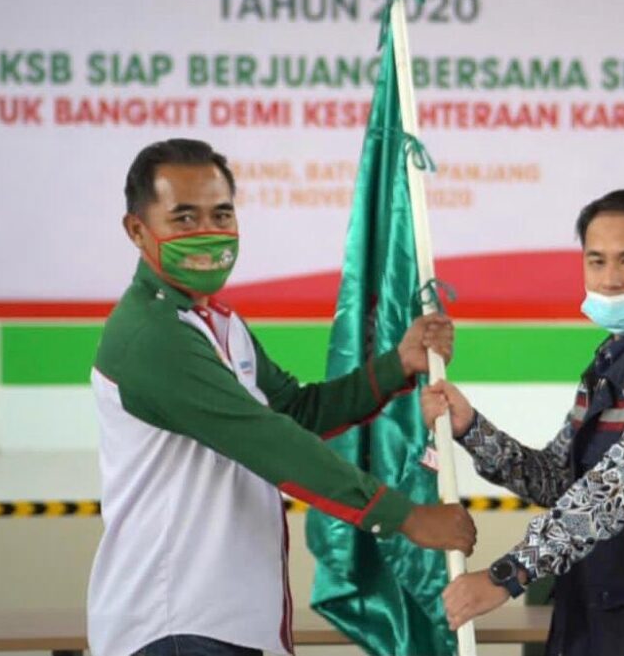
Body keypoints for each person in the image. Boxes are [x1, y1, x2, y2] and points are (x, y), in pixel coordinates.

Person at [87, 138, 476, 656]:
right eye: (184, 218)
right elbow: (269, 440)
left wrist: (396, 365)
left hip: (232, 622)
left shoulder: (218, 324)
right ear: (138, 230)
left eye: (221, 214)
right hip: (174, 624)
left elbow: (297, 412)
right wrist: (405, 516)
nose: (207, 232)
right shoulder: (151, 335)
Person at [423, 190, 624, 656]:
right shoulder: (608, 370)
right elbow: (559, 482)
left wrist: (508, 575)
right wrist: (471, 428)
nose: (610, 279)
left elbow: (609, 492)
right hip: (602, 625)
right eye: (596, 261)